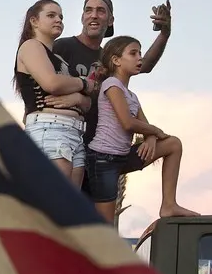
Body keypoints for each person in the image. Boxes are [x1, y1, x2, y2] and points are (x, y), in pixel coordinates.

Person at [52, 0, 172, 198]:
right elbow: (38, 80)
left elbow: (146, 64)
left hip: (101, 152)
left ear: (110, 20)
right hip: (64, 146)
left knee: (92, 223)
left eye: (101, 11)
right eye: (88, 10)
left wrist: (164, 34)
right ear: (82, 17)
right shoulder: (62, 47)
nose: (94, 15)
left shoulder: (109, 58)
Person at [84, 35, 199, 223]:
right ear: (116, 60)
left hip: (122, 157)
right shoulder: (111, 85)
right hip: (102, 160)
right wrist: (154, 130)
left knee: (173, 144)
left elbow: (144, 126)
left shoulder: (132, 96)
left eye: (140, 53)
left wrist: (152, 137)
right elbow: (128, 123)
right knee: (105, 225)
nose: (140, 58)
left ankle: (169, 204)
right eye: (133, 53)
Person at [13, 0, 99, 187]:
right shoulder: (31, 46)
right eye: (51, 15)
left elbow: (87, 103)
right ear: (34, 21)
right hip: (50, 130)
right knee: (53, 204)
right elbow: (52, 83)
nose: (58, 20)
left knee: (69, 210)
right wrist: (83, 83)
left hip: (73, 133)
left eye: (61, 16)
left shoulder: (59, 59)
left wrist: (77, 96)